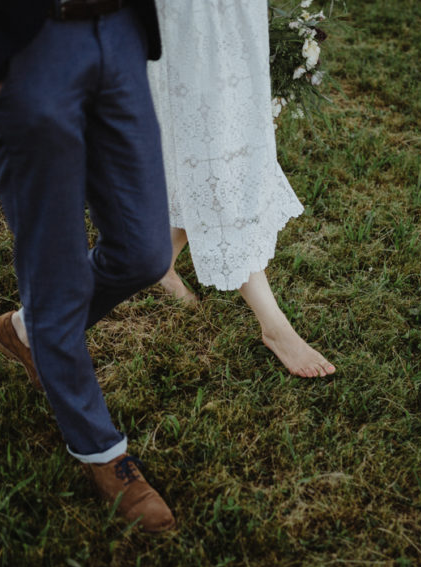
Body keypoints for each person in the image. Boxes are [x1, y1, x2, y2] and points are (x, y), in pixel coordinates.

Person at [0, 0, 176, 532]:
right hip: (26, 45)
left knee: (146, 250)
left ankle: (29, 329)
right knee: (57, 274)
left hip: (118, 30)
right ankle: (103, 452)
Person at [148, 0, 336, 379]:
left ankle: (160, 260)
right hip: (189, 18)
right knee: (213, 151)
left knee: (228, 142)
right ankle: (275, 326)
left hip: (234, 15)